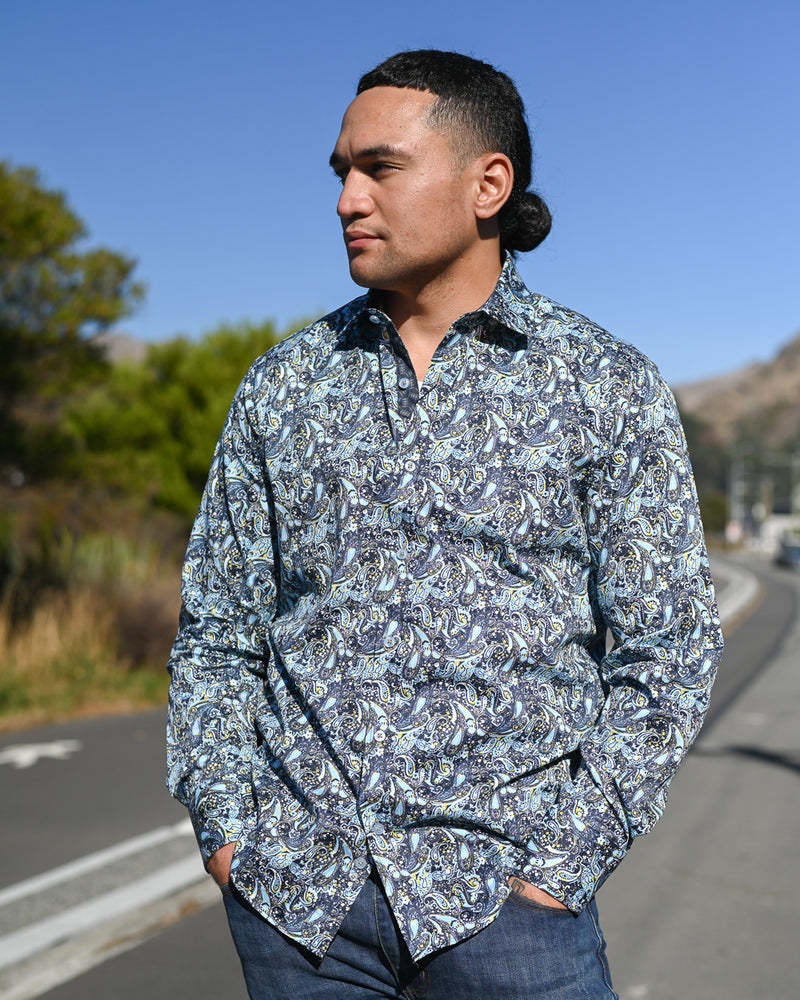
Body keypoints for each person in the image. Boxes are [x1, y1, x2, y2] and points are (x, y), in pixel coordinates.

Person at [167, 49, 723, 999]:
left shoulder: (603, 386)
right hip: (301, 910)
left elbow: (667, 650)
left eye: (379, 168)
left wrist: (559, 866)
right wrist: (230, 834)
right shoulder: (284, 387)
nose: (347, 198)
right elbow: (216, 637)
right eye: (340, 172)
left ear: (487, 185)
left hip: (511, 919)